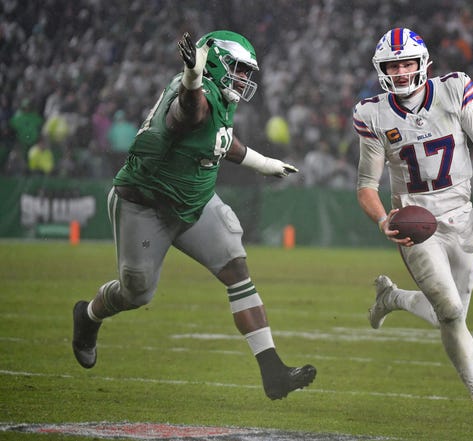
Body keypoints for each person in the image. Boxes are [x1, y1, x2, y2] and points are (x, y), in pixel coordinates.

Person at [72, 31, 316, 400]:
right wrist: (192, 77)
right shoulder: (192, 97)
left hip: (194, 202)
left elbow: (219, 138)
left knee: (236, 268)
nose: (244, 79)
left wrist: (262, 163)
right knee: (136, 292)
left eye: (246, 72)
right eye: (237, 69)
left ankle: (273, 372)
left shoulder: (220, 98)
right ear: (213, 64)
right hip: (146, 204)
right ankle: (88, 315)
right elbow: (189, 113)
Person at [353, 28, 473, 427]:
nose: (399, 72)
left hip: (462, 218)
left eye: (406, 63)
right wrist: (384, 219)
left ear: (422, 63)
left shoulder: (452, 91)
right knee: (449, 311)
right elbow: (366, 187)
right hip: (416, 223)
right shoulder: (373, 114)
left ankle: (392, 299)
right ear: (381, 69)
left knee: (451, 317)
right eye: (392, 65)